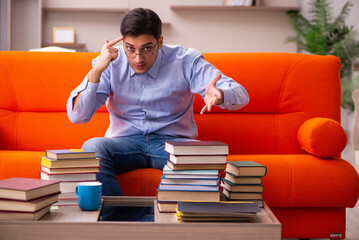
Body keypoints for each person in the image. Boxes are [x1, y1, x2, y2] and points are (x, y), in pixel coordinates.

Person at [66, 8, 249, 220]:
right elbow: (77, 117)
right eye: (130, 48)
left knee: (203, 164)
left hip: (174, 144)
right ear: (122, 44)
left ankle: (165, 223)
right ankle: (116, 220)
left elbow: (242, 94)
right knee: (92, 148)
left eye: (146, 48)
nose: (137, 58)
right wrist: (96, 70)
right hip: (124, 143)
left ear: (160, 42)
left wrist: (220, 94)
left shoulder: (185, 60)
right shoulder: (110, 63)